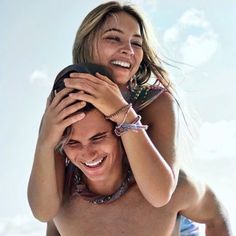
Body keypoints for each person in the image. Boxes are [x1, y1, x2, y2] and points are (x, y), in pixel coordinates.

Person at [27, 1, 231, 234]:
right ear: (86, 43)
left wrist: (121, 111)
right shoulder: (66, 96)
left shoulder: (156, 101)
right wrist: (46, 139)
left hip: (161, 209)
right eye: (114, 38)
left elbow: (160, 194)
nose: (129, 50)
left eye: (136, 43)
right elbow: (43, 211)